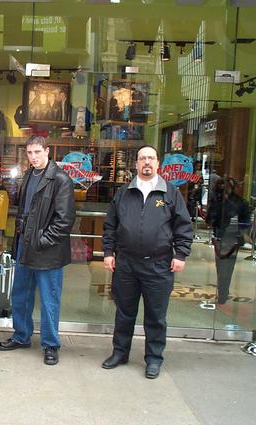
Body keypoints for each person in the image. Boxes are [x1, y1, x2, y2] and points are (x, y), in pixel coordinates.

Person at [101, 145, 193, 379]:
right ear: (136, 164)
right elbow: (110, 225)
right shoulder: (124, 193)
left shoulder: (170, 193)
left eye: (151, 158)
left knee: (156, 316)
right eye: (142, 158)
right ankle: (120, 353)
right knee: (124, 312)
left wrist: (181, 254)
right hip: (126, 264)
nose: (147, 162)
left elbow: (184, 227)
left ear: (158, 163)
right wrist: (108, 252)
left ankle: (153, 359)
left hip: (159, 265)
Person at [0, 135, 76, 366]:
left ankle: (50, 345)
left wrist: (41, 241)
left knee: (49, 299)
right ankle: (21, 336)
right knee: (20, 294)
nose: (33, 157)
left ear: (47, 151)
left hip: (47, 249)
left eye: (37, 152)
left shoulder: (61, 179)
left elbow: (64, 221)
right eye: (30, 153)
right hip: (25, 245)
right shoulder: (29, 175)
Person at [206, 177, 251, 305]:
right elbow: (210, 218)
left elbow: (245, 221)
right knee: (220, 266)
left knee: (227, 268)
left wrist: (243, 234)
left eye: (226, 186)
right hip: (220, 236)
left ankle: (223, 292)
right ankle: (223, 290)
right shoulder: (217, 200)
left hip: (231, 238)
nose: (224, 189)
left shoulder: (239, 202)